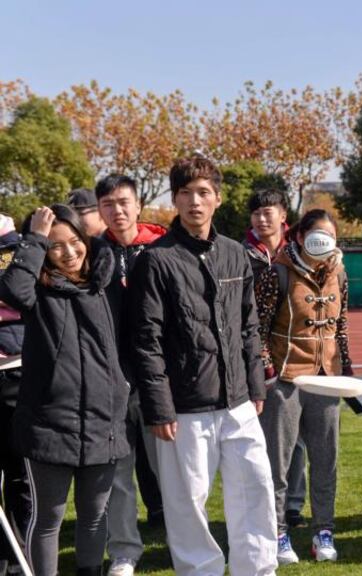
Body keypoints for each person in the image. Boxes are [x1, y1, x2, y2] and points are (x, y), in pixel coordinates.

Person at [130, 154, 276, 576]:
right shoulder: (155, 261)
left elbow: (249, 326)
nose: (195, 201)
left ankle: (258, 569)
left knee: (255, 491)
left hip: (239, 404)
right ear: (174, 200)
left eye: (204, 193)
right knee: (186, 503)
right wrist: (158, 406)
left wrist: (255, 385)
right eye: (186, 193)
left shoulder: (235, 254)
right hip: (183, 408)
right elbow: (146, 340)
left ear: (217, 198)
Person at [0, 204, 129, 576]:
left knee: (94, 516)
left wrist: (122, 389)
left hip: (103, 422)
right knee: (49, 518)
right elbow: (12, 289)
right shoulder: (37, 293)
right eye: (57, 246)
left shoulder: (105, 287)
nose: (69, 252)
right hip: (49, 424)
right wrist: (36, 239)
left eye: (75, 242)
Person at [256, 209, 351, 565]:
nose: (322, 243)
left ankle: (323, 530)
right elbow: (257, 329)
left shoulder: (339, 273)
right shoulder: (276, 273)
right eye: (315, 235)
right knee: (277, 465)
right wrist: (267, 370)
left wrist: (347, 372)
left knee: (326, 461)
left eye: (329, 236)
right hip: (285, 380)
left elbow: (340, 325)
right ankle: (278, 533)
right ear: (298, 237)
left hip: (326, 379)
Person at [95, 174, 167, 576]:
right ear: (100, 210)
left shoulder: (163, 251)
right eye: (108, 204)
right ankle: (124, 551)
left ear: (138, 205)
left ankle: (183, 539)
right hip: (111, 383)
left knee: (170, 473)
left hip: (159, 381)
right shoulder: (92, 255)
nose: (117, 210)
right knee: (118, 475)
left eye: (123, 202)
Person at [242, 188, 309, 530]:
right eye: (256, 213)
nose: (262, 218)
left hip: (290, 360)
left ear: (284, 215)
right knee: (255, 438)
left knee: (292, 438)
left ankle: (293, 505)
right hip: (251, 356)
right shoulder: (241, 255)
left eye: (269, 211)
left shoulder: (299, 254)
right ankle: (263, 505)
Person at [0, 214, 30, 576]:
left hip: (19, 371)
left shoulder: (21, 246)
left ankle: (23, 555)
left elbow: (18, 294)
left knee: (21, 475)